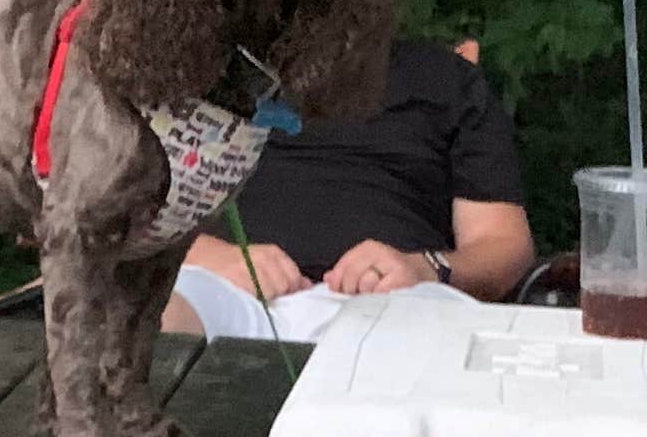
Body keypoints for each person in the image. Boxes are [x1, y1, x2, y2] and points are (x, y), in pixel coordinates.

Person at [162, 36, 539, 338]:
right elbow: (129, 217)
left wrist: (428, 266)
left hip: (394, 303)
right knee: (148, 325)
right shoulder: (194, 75)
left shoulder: (442, 77)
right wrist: (204, 256)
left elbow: (502, 243)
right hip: (221, 293)